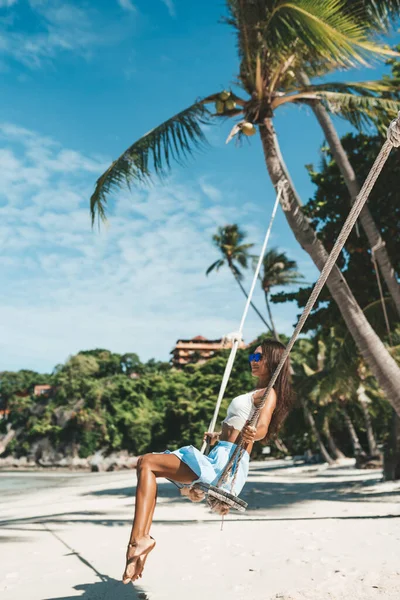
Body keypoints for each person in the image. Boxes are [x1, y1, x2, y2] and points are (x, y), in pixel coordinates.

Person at [123, 339, 293, 584]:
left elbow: (263, 425)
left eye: (258, 357)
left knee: (147, 463)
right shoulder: (255, 393)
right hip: (219, 454)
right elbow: (235, 426)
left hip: (225, 464)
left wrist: (254, 433)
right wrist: (217, 436)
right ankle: (140, 541)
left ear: (273, 361)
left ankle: (138, 540)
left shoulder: (268, 393)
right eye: (252, 357)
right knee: (146, 464)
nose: (253, 362)